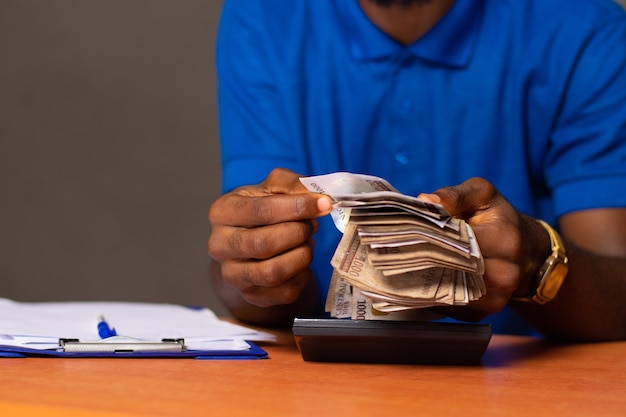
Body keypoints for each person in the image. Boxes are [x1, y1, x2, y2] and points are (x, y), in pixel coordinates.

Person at [207, 0, 626, 342]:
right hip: (324, 387)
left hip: (514, 386)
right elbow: (246, 273)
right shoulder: (263, 14)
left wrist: (535, 260)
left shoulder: (584, 29)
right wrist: (257, 268)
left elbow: (616, 296)